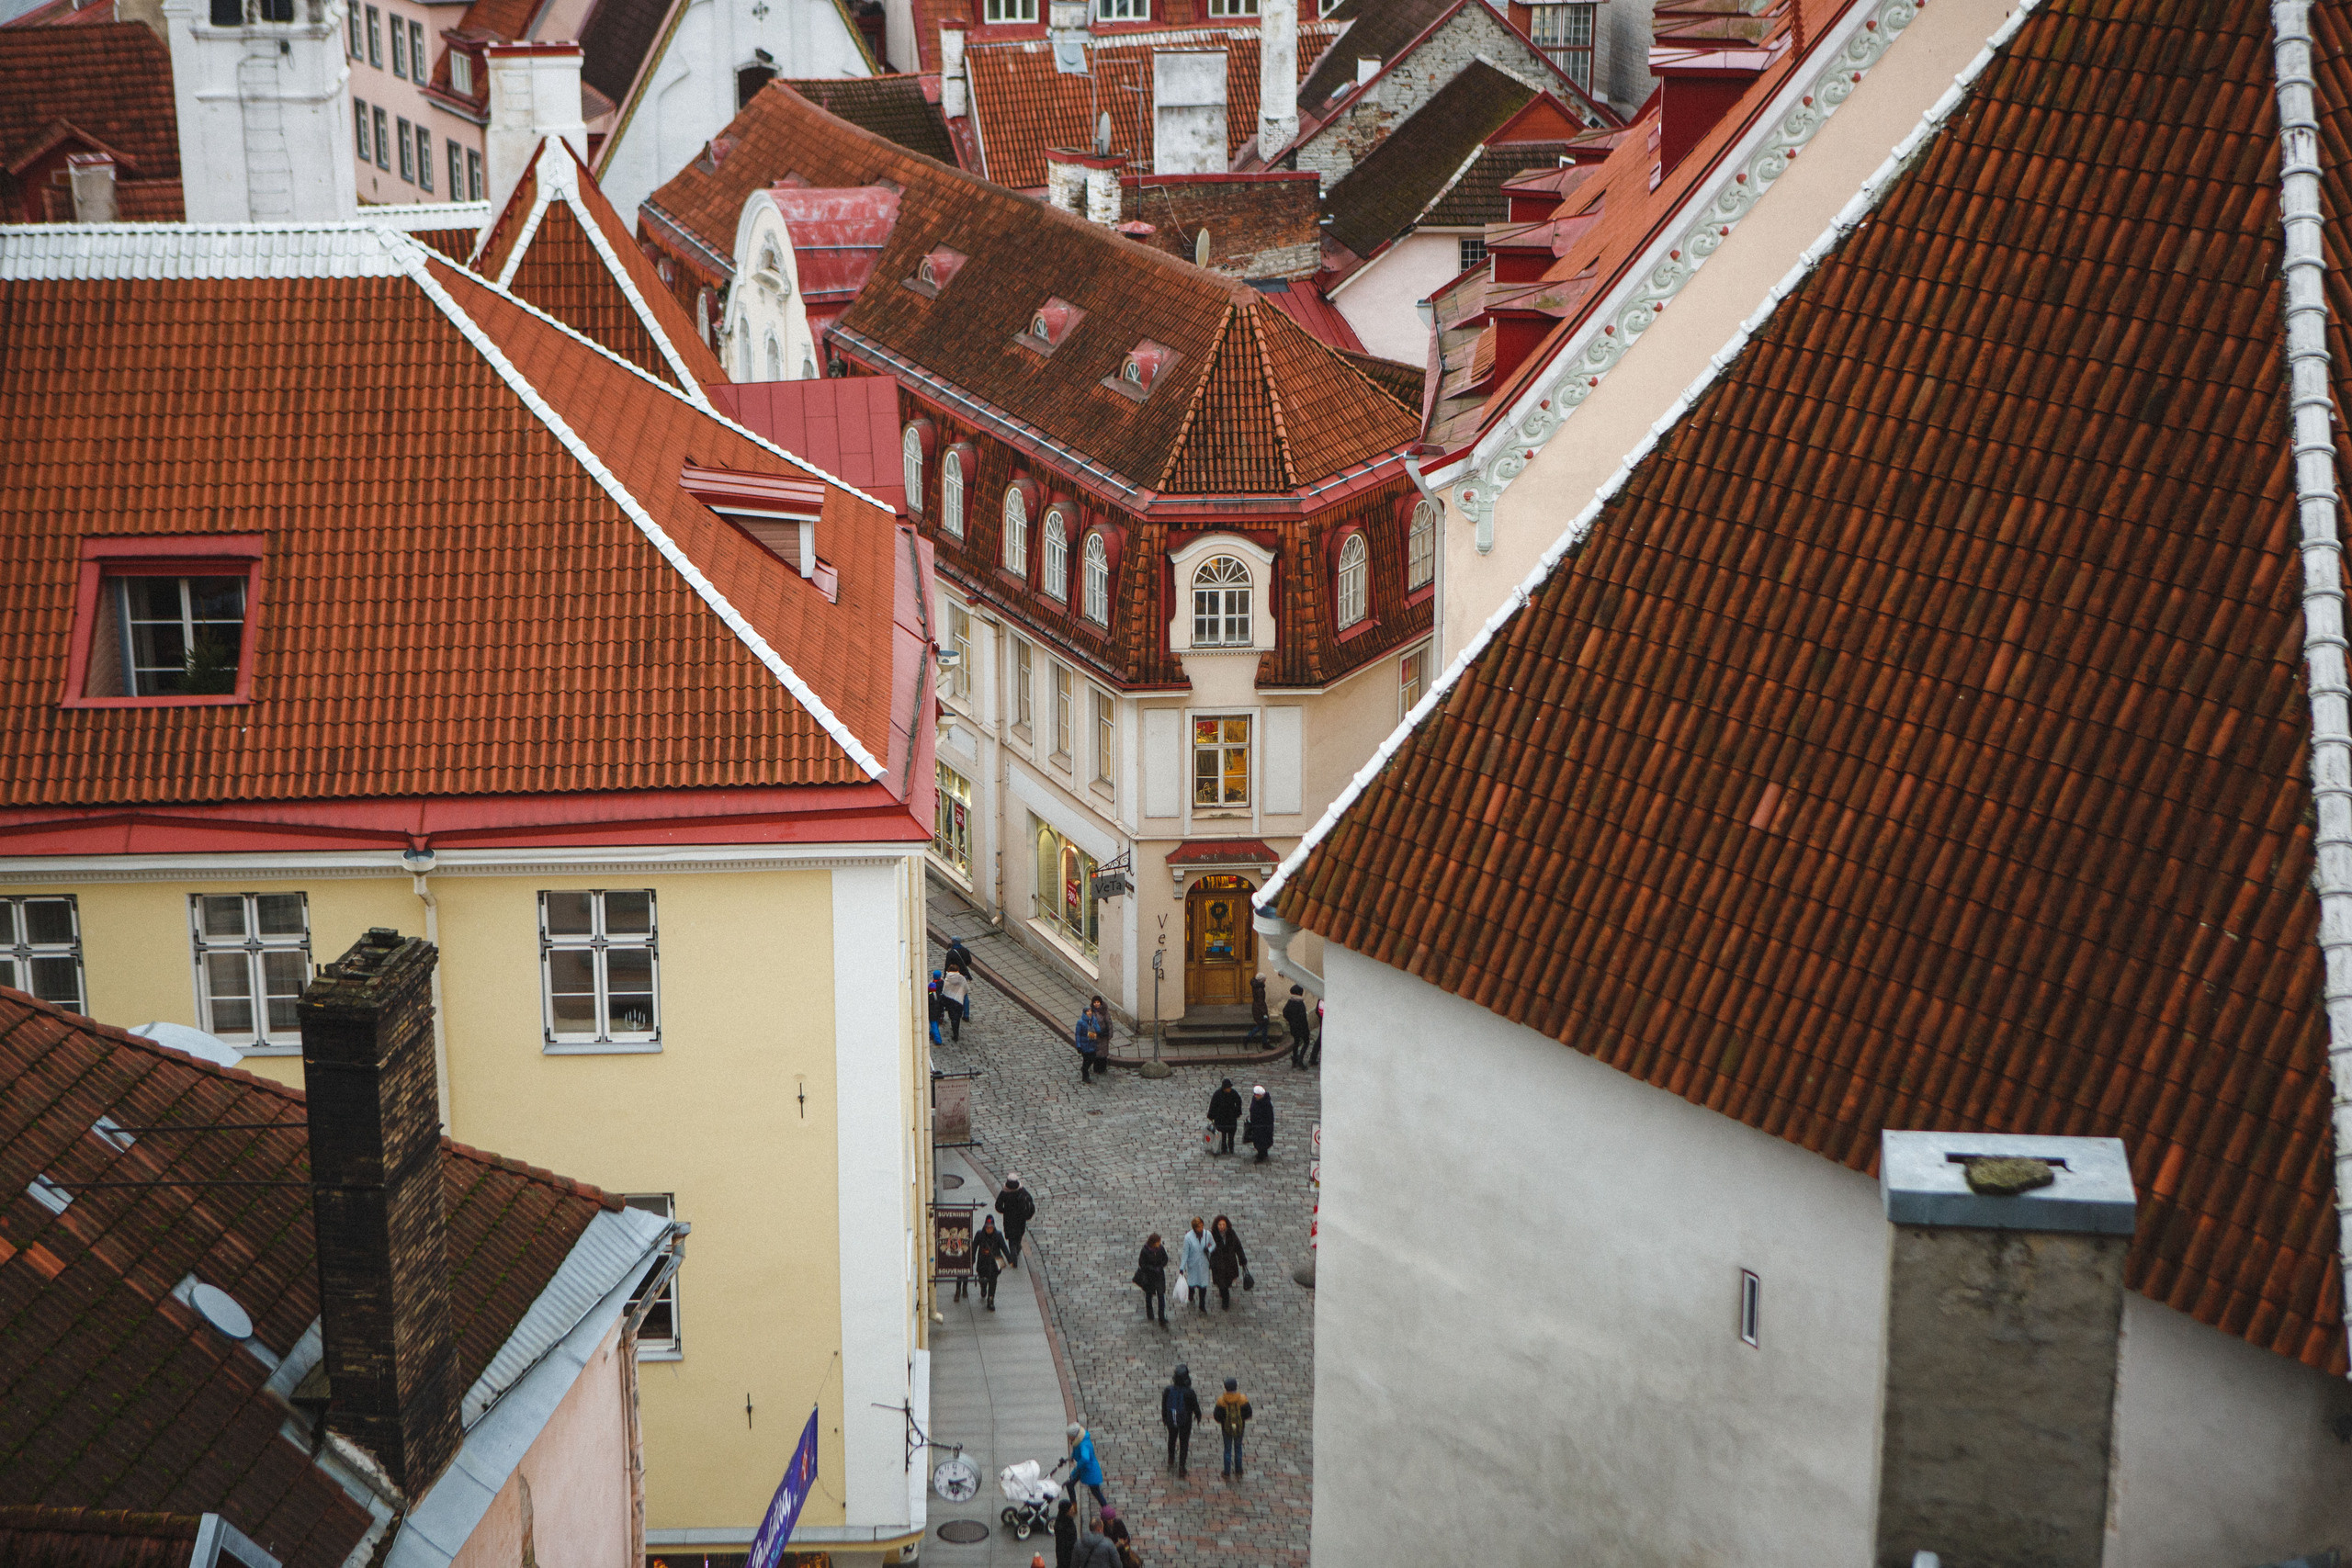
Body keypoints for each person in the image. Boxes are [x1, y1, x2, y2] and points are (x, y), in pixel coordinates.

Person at [1160, 1363, 1203, 1476]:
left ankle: (1171, 1457)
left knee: (1172, 1438)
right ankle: (1181, 1466)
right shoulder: (1189, 1392)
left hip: (1171, 1419)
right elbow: (1195, 1407)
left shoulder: (1168, 1390)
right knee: (1183, 1443)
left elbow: (1164, 1405)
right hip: (1185, 1421)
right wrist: (1198, 1416)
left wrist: (1164, 1417)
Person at [1207, 1214, 1249, 1310]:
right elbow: (1209, 1248)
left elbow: (1238, 1247)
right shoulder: (1212, 1235)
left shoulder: (1231, 1234)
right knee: (1222, 1283)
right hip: (1218, 1264)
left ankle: (1224, 1293)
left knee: (1227, 1281)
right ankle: (1225, 1301)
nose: (1222, 1227)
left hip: (1230, 1263)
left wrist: (1242, 1259)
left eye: (1223, 1224)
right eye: (1220, 1225)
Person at [1214, 1377, 1252, 1479]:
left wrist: (1224, 1421)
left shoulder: (1221, 1400)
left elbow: (1217, 1416)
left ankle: (1226, 1471)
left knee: (1227, 1449)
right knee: (1238, 1448)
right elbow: (1249, 1413)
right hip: (1240, 1428)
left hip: (1226, 1429)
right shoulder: (1242, 1399)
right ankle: (1238, 1470)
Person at [1067, 1421, 1106, 1513]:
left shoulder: (1083, 1444)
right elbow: (1078, 1452)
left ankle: (1106, 1510)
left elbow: (1085, 1458)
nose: (1068, 1438)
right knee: (1070, 1485)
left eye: (1069, 1436)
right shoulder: (1080, 1440)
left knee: (1096, 1492)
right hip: (1084, 1469)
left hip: (1088, 1470)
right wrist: (1072, 1456)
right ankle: (1074, 1507)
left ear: (1074, 1436)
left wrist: (1077, 1467)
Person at [997, 1174, 1035, 1268]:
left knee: (1011, 1240)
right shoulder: (1022, 1192)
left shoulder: (1004, 1192)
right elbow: (1030, 1203)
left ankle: (1014, 1257)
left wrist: (1004, 1211)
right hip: (1020, 1220)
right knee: (1018, 1236)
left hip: (1009, 1220)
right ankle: (1017, 1248)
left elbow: (998, 1206)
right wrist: (1027, 1215)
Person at [1178, 1216, 1214, 1313]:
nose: (1201, 1229)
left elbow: (1213, 1245)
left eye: (1202, 1226)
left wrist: (1209, 1249)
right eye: (1198, 1227)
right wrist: (1182, 1267)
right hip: (1193, 1264)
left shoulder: (1207, 1234)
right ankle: (1191, 1294)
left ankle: (1202, 1305)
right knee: (1192, 1282)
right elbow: (1185, 1252)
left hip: (1204, 1264)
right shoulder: (1188, 1237)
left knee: (1203, 1285)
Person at [1134, 1232, 1170, 1325]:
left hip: (1159, 1276)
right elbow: (1142, 1264)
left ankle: (1161, 1316)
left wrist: (1161, 1266)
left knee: (1161, 1296)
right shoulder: (1145, 1251)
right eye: (1158, 1242)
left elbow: (1165, 1258)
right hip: (1150, 1277)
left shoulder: (1161, 1249)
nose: (1159, 1244)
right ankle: (1150, 1313)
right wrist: (1152, 1269)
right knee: (1149, 1294)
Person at [974, 1214, 1007, 1311]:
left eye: (991, 1227)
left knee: (993, 1282)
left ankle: (991, 1300)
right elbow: (974, 1246)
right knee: (983, 1280)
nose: (989, 1229)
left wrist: (1010, 1259)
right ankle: (983, 1288)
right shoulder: (980, 1234)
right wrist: (972, 1258)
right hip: (983, 1263)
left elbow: (1004, 1247)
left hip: (994, 1264)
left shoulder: (998, 1235)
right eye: (987, 1227)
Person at [1206, 1078, 1242, 1156]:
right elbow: (1213, 1105)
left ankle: (1231, 1147)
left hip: (1231, 1118)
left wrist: (1237, 1112)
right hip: (1221, 1118)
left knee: (1231, 1134)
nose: (1229, 1089)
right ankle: (1223, 1148)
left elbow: (1239, 1102)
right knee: (1222, 1135)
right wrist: (1211, 1116)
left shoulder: (1233, 1093)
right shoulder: (1217, 1094)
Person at [1283, 985, 1311, 1068]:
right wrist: (1306, 1029)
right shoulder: (1300, 1003)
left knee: (1296, 1041)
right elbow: (1303, 1017)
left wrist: (1291, 1021)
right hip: (1301, 1027)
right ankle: (1300, 1060)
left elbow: (1285, 1012)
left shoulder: (1290, 1001)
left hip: (1293, 1026)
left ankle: (1295, 1058)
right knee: (1306, 1042)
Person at [1245, 1085, 1274, 1164]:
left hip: (1263, 1126)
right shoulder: (1255, 1100)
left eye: (1257, 1095)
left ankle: (1261, 1155)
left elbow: (1269, 1117)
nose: (1255, 1096)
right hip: (1256, 1125)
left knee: (1262, 1141)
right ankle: (1262, 1153)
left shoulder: (1266, 1104)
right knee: (1258, 1140)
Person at [1074, 1006, 1103, 1084]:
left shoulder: (1093, 1020)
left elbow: (1098, 1030)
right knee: (1086, 1060)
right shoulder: (1080, 1022)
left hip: (1092, 1044)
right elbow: (1078, 1035)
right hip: (1085, 1045)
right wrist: (1079, 1046)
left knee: (1092, 1058)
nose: (1089, 1013)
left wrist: (1095, 1025)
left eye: (1090, 1011)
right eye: (1088, 1011)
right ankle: (1085, 1075)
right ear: (1085, 1013)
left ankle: (1084, 1069)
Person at [940, 964, 968, 1042]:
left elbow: (944, 990)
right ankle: (956, 1032)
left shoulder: (947, 979)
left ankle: (954, 1031)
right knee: (958, 1017)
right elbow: (966, 988)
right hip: (959, 1000)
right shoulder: (961, 978)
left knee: (952, 1016)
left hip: (950, 1001)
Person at [1243, 974, 1271, 1044]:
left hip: (1256, 1008)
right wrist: (1264, 1013)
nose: (1265, 980)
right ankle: (1248, 1037)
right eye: (1264, 979)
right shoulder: (1260, 989)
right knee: (1262, 1025)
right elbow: (1261, 1002)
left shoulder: (1256, 986)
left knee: (1264, 1025)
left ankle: (1264, 1041)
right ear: (1262, 980)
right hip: (1259, 1010)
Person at [1053, 1497, 1077, 1568]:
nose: (1073, 1511)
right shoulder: (1061, 1527)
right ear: (1066, 1511)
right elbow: (1062, 1547)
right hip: (1066, 1557)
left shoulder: (1068, 1519)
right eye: (1071, 1510)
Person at [927, 975, 946, 1047]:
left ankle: (938, 1040)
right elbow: (942, 1004)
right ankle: (931, 1033)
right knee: (935, 1025)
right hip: (938, 1013)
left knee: (934, 1026)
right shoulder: (939, 995)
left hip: (932, 1014)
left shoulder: (929, 996)